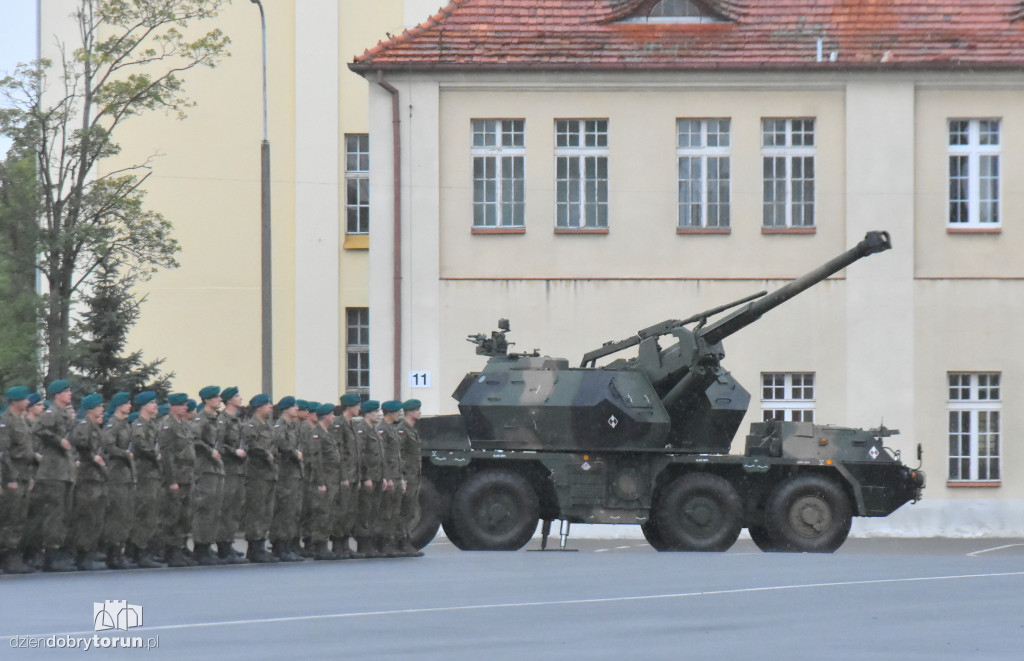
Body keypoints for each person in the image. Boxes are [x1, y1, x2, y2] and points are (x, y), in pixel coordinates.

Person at [27, 380, 77, 572]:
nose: (70, 394)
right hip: (52, 471)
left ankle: (56, 552)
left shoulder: (64, 413)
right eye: (66, 392)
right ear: (58, 395)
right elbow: (37, 428)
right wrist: (58, 441)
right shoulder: (51, 412)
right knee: (53, 514)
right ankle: (50, 556)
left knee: (62, 513)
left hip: (65, 471)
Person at [68, 393, 109, 571]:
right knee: (86, 517)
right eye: (99, 406)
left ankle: (89, 553)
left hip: (97, 477)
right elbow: (81, 444)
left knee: (95, 517)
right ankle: (83, 555)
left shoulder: (95, 426)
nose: (102, 409)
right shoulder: (85, 425)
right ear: (91, 409)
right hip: (87, 476)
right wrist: (93, 458)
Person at [0, 386, 38, 573]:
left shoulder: (21, 420)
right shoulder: (6, 421)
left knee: (20, 517)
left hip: (24, 474)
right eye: (24, 399)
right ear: (15, 401)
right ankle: (9, 557)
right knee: (11, 518)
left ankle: (14, 556)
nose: (27, 402)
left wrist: (29, 476)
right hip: (13, 476)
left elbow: (28, 452)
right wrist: (10, 478)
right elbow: (4, 453)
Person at [158, 393, 196, 567]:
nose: (185, 407)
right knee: (172, 515)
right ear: (172, 406)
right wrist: (171, 480)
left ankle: (181, 547)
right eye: (181, 404)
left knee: (185, 515)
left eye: (186, 404)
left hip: (187, 476)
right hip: (176, 477)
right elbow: (167, 455)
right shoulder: (168, 425)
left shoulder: (185, 425)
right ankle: (171, 551)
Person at [129, 391, 165, 568]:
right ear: (144, 406)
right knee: (144, 514)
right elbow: (140, 444)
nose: (155, 406)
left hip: (153, 473)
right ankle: (140, 551)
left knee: (151, 513)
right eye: (152, 403)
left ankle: (146, 550)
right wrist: (154, 455)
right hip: (144, 473)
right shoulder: (139, 425)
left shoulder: (152, 425)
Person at [191, 385, 226, 565]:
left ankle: (207, 543)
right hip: (205, 468)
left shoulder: (216, 419)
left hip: (216, 469)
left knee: (214, 509)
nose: (220, 400)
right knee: (204, 508)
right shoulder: (201, 418)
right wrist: (209, 451)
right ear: (207, 400)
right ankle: (200, 547)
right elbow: (195, 439)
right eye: (216, 397)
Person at [100, 392, 135, 569]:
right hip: (116, 474)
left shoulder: (125, 424)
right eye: (127, 403)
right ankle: (112, 554)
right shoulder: (113, 424)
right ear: (119, 405)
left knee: (125, 514)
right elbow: (108, 446)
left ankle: (119, 550)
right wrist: (124, 454)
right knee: (116, 515)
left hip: (126, 474)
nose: (130, 406)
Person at [241, 393, 277, 563]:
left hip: (269, 474)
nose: (271, 407)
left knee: (266, 511)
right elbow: (252, 446)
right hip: (257, 474)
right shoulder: (251, 425)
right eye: (268, 404)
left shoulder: (267, 426)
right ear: (259, 407)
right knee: (256, 511)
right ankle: (254, 547)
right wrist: (266, 454)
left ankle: (261, 544)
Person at [215, 386, 247, 563]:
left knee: (234, 508)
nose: (240, 398)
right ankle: (223, 546)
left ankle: (229, 542)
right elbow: (219, 444)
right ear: (229, 401)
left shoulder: (237, 420)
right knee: (226, 508)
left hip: (238, 469)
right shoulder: (223, 420)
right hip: (227, 468)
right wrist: (234, 452)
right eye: (237, 396)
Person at [270, 396, 303, 561]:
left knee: (291, 511)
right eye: (293, 406)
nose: (296, 408)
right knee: (284, 511)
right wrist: (293, 452)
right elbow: (278, 442)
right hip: (284, 473)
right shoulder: (280, 426)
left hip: (293, 473)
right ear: (286, 409)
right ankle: (280, 546)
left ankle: (287, 545)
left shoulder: (292, 426)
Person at [331, 393, 363, 559]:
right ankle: (338, 544)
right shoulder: (339, 424)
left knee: (350, 511)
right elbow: (339, 453)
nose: (359, 408)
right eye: (357, 405)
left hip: (353, 475)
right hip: (344, 476)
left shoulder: (352, 424)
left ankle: (345, 543)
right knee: (341, 510)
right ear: (349, 407)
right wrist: (343, 476)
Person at [305, 403, 337, 560]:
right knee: (321, 513)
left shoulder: (326, 433)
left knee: (327, 512)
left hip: (330, 479)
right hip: (323, 480)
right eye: (331, 415)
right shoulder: (316, 434)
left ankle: (323, 544)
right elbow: (316, 460)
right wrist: (320, 482)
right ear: (325, 417)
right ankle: (319, 546)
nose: (333, 417)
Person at [354, 400, 385, 558]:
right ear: (367, 413)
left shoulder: (375, 430)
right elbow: (361, 456)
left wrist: (384, 477)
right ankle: (363, 544)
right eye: (375, 412)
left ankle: (371, 543)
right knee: (365, 510)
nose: (378, 414)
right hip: (369, 477)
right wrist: (365, 477)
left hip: (378, 476)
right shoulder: (362, 430)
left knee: (374, 510)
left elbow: (380, 456)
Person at [397, 399, 425, 557]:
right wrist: (402, 477)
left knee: (409, 511)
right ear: (410, 412)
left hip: (413, 475)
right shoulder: (403, 430)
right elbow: (398, 454)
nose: (420, 412)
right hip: (407, 476)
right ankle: (402, 543)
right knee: (405, 510)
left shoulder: (411, 429)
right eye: (417, 410)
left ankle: (404, 542)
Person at [377, 400, 405, 557]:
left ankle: (391, 541)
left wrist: (400, 477)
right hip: (389, 476)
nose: (400, 414)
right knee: (386, 511)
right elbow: (383, 457)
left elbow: (396, 457)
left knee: (394, 511)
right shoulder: (382, 429)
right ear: (390, 413)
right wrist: (386, 477)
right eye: (397, 411)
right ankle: (384, 543)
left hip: (395, 475)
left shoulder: (392, 428)